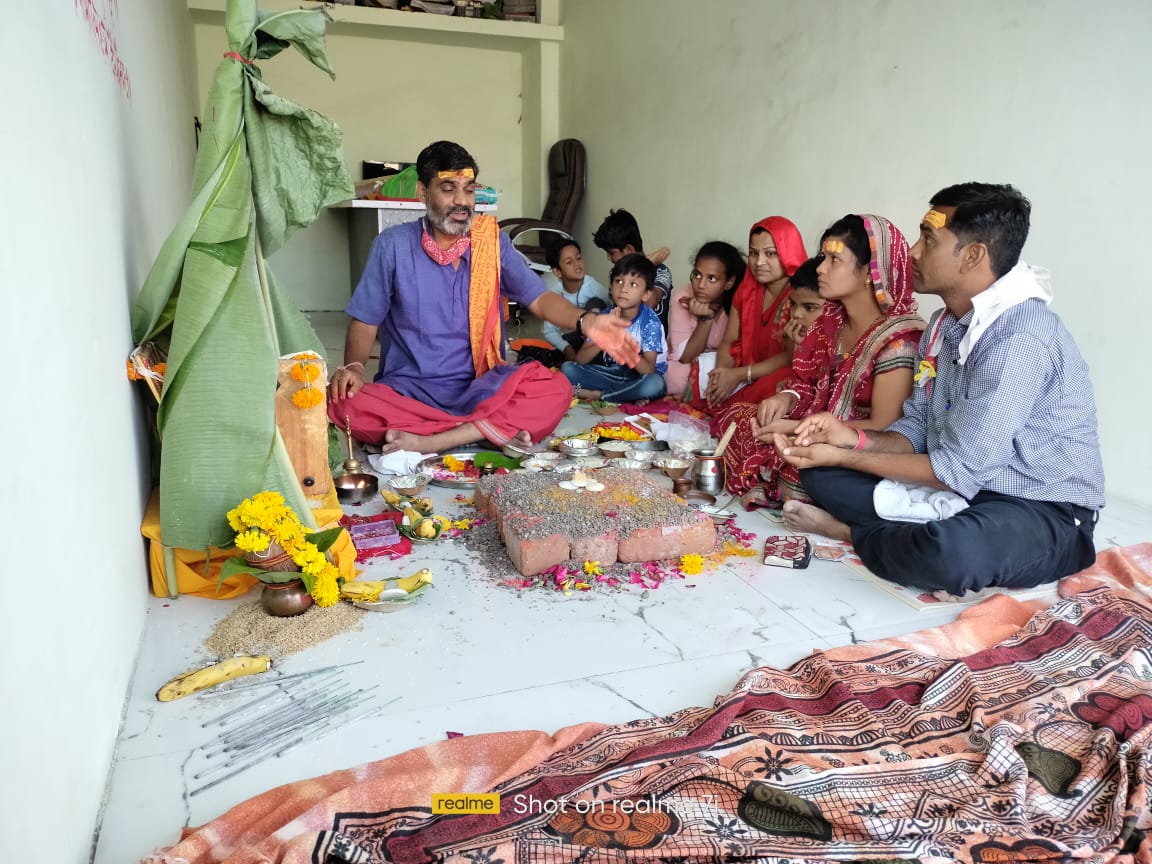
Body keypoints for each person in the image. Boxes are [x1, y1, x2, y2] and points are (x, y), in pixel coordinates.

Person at [775, 183, 1104, 594]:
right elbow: (916, 429)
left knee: (950, 553)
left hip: (1035, 505)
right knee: (820, 473)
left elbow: (957, 471)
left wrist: (848, 456)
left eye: (928, 240)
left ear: (973, 256)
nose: (913, 252)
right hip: (959, 490)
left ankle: (851, 532)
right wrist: (849, 439)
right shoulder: (944, 325)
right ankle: (906, 531)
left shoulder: (1018, 337)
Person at [327, 141, 638, 454]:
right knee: (343, 403)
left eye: (469, 189)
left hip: (480, 386)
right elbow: (365, 319)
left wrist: (586, 321)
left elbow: (540, 299)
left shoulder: (491, 243)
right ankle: (484, 430)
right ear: (422, 193)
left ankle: (434, 439)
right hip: (410, 389)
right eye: (448, 188)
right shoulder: (392, 245)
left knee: (555, 388)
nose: (462, 201)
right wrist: (354, 368)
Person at [719, 216, 924, 506]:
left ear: (869, 272)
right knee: (741, 419)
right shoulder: (831, 323)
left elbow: (885, 426)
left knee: (806, 473)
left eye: (834, 260)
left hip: (859, 446)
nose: (820, 268)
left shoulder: (899, 340)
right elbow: (807, 382)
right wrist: (786, 399)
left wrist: (798, 429)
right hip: (814, 427)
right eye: (823, 257)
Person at [704, 216, 808, 411]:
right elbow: (729, 341)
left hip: (774, 372)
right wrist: (722, 374)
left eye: (770, 253)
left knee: (780, 382)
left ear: (789, 253)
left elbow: (790, 357)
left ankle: (735, 409)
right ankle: (730, 406)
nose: (759, 262)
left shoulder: (802, 294)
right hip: (745, 368)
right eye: (753, 253)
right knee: (702, 370)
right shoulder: (747, 288)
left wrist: (739, 375)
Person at [562, 253, 667, 404]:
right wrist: (605, 335)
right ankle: (627, 394)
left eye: (633, 284)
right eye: (619, 281)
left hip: (638, 377)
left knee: (655, 384)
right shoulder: (605, 316)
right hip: (612, 374)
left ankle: (598, 395)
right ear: (611, 288)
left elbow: (649, 370)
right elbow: (581, 359)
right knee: (568, 369)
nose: (623, 289)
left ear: (646, 294)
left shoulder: (650, 322)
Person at [665, 241, 745, 401]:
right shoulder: (682, 297)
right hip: (688, 363)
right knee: (677, 379)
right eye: (697, 275)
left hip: (723, 364)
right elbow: (685, 357)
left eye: (712, 279)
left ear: (729, 282)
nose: (701, 285)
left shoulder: (740, 302)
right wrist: (706, 319)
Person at [592, 208, 674, 332]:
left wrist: (645, 264)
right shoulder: (617, 273)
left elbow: (648, 303)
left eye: (611, 253)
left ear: (629, 249)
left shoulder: (662, 272)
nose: (609, 258)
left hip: (649, 340)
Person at [538, 239, 609, 362]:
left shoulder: (595, 289)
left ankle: (592, 361)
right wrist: (567, 348)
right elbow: (550, 330)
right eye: (569, 262)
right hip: (580, 338)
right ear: (557, 272)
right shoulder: (554, 295)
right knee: (559, 346)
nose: (577, 264)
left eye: (579, 258)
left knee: (594, 303)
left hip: (601, 341)